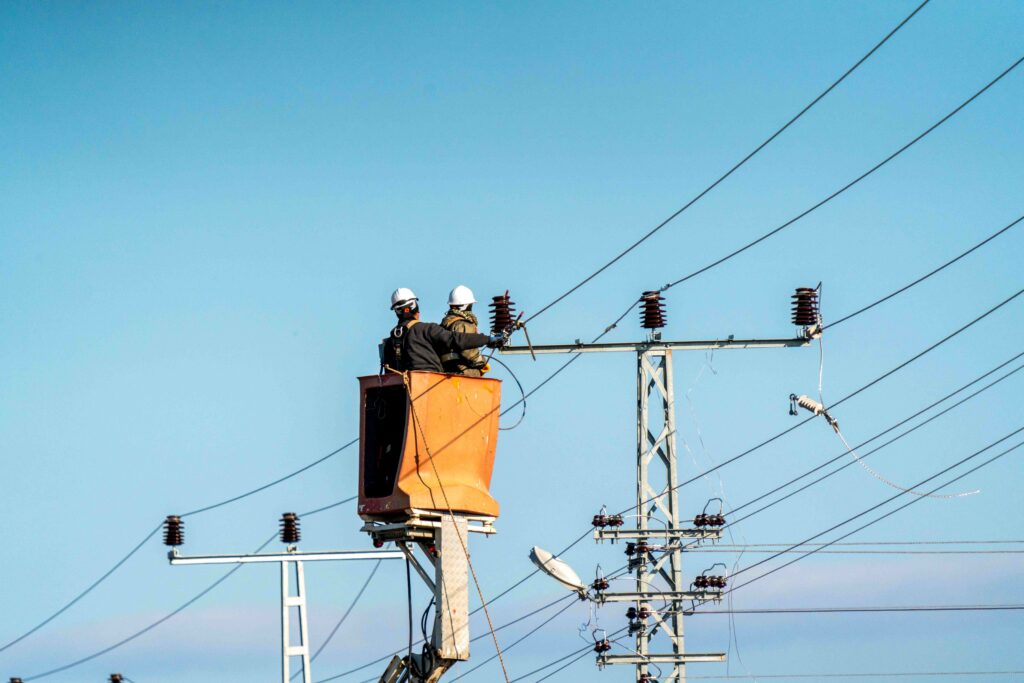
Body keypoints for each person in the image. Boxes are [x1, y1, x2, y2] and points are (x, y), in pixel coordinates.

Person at [381, 287, 500, 373]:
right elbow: (456, 339)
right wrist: (489, 339)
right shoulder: (427, 330)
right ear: (414, 306)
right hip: (432, 386)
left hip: (404, 393)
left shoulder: (390, 341)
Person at [440, 285, 489, 377]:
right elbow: (469, 353)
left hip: (445, 373)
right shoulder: (464, 324)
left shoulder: (445, 324)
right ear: (466, 305)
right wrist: (483, 362)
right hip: (464, 373)